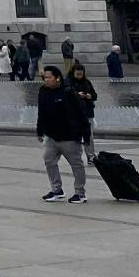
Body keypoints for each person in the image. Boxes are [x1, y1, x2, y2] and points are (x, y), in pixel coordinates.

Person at [36, 64, 88, 202]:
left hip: (69, 137)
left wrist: (85, 136)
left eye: (49, 78)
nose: (46, 80)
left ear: (57, 78)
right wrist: (40, 130)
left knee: (76, 165)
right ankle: (56, 189)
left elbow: (81, 114)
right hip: (51, 136)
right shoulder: (43, 91)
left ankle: (80, 193)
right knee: (49, 160)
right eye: (44, 78)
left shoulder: (68, 92)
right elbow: (41, 111)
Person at [67, 60, 100, 163]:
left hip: (87, 112)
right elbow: (66, 94)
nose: (79, 76)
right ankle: (75, 156)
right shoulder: (69, 82)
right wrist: (77, 94)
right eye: (77, 74)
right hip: (75, 113)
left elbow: (95, 95)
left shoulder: (87, 82)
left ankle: (90, 156)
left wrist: (90, 96)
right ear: (73, 73)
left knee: (89, 136)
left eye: (81, 74)